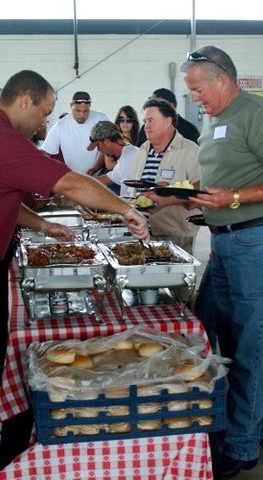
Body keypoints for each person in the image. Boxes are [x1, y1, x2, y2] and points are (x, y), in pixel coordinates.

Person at [0, 70, 149, 480]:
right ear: (23, 101)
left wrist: (44, 226)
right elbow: (70, 182)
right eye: (43, 113)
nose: (44, 124)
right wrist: (126, 209)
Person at [181, 44, 263, 478]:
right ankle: (227, 420)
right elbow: (217, 177)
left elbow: (237, 188)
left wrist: (234, 198)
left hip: (253, 243)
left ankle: (243, 445)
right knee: (205, 329)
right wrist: (177, 191)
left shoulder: (253, 112)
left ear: (223, 79)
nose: (193, 98)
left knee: (252, 347)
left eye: (196, 89)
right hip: (223, 243)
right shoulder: (217, 121)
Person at [126, 97, 201, 254]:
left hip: (175, 234)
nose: (146, 126)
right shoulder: (143, 150)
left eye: (151, 120)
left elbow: (201, 188)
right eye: (145, 121)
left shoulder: (189, 150)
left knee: (174, 277)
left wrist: (168, 195)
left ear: (168, 121)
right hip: (141, 231)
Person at [42, 91, 108, 174]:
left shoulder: (101, 119)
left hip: (99, 175)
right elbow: (46, 152)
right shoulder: (60, 125)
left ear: (90, 106)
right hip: (73, 178)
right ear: (71, 106)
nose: (81, 115)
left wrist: (95, 169)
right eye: (78, 110)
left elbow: (107, 150)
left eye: (85, 111)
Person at [88, 120, 139, 197]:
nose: (98, 150)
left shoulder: (130, 157)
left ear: (107, 141)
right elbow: (107, 179)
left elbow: (128, 198)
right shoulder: (126, 154)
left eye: (98, 146)